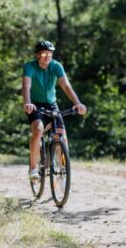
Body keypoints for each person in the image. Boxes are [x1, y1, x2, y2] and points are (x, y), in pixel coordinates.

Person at [22, 40, 87, 181]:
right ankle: (33, 169)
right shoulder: (29, 66)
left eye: (50, 53)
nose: (47, 57)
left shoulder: (56, 66)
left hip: (52, 104)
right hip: (34, 104)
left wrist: (78, 103)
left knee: (61, 134)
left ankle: (63, 167)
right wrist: (27, 103)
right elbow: (26, 86)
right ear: (38, 55)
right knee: (38, 129)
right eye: (44, 53)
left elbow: (66, 86)